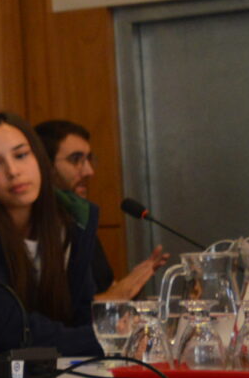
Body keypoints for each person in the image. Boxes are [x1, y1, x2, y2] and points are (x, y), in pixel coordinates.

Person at [0, 114, 163, 355]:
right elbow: (8, 331)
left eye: (21, 155)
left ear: (39, 158)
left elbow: (81, 316)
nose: (13, 171)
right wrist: (109, 338)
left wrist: (125, 328)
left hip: (52, 371)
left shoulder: (70, 218)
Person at [34, 119, 163, 297]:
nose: (89, 171)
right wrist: (118, 294)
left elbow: (106, 291)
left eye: (89, 159)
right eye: (75, 160)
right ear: (44, 165)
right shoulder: (33, 226)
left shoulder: (80, 218)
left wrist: (132, 285)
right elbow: (65, 314)